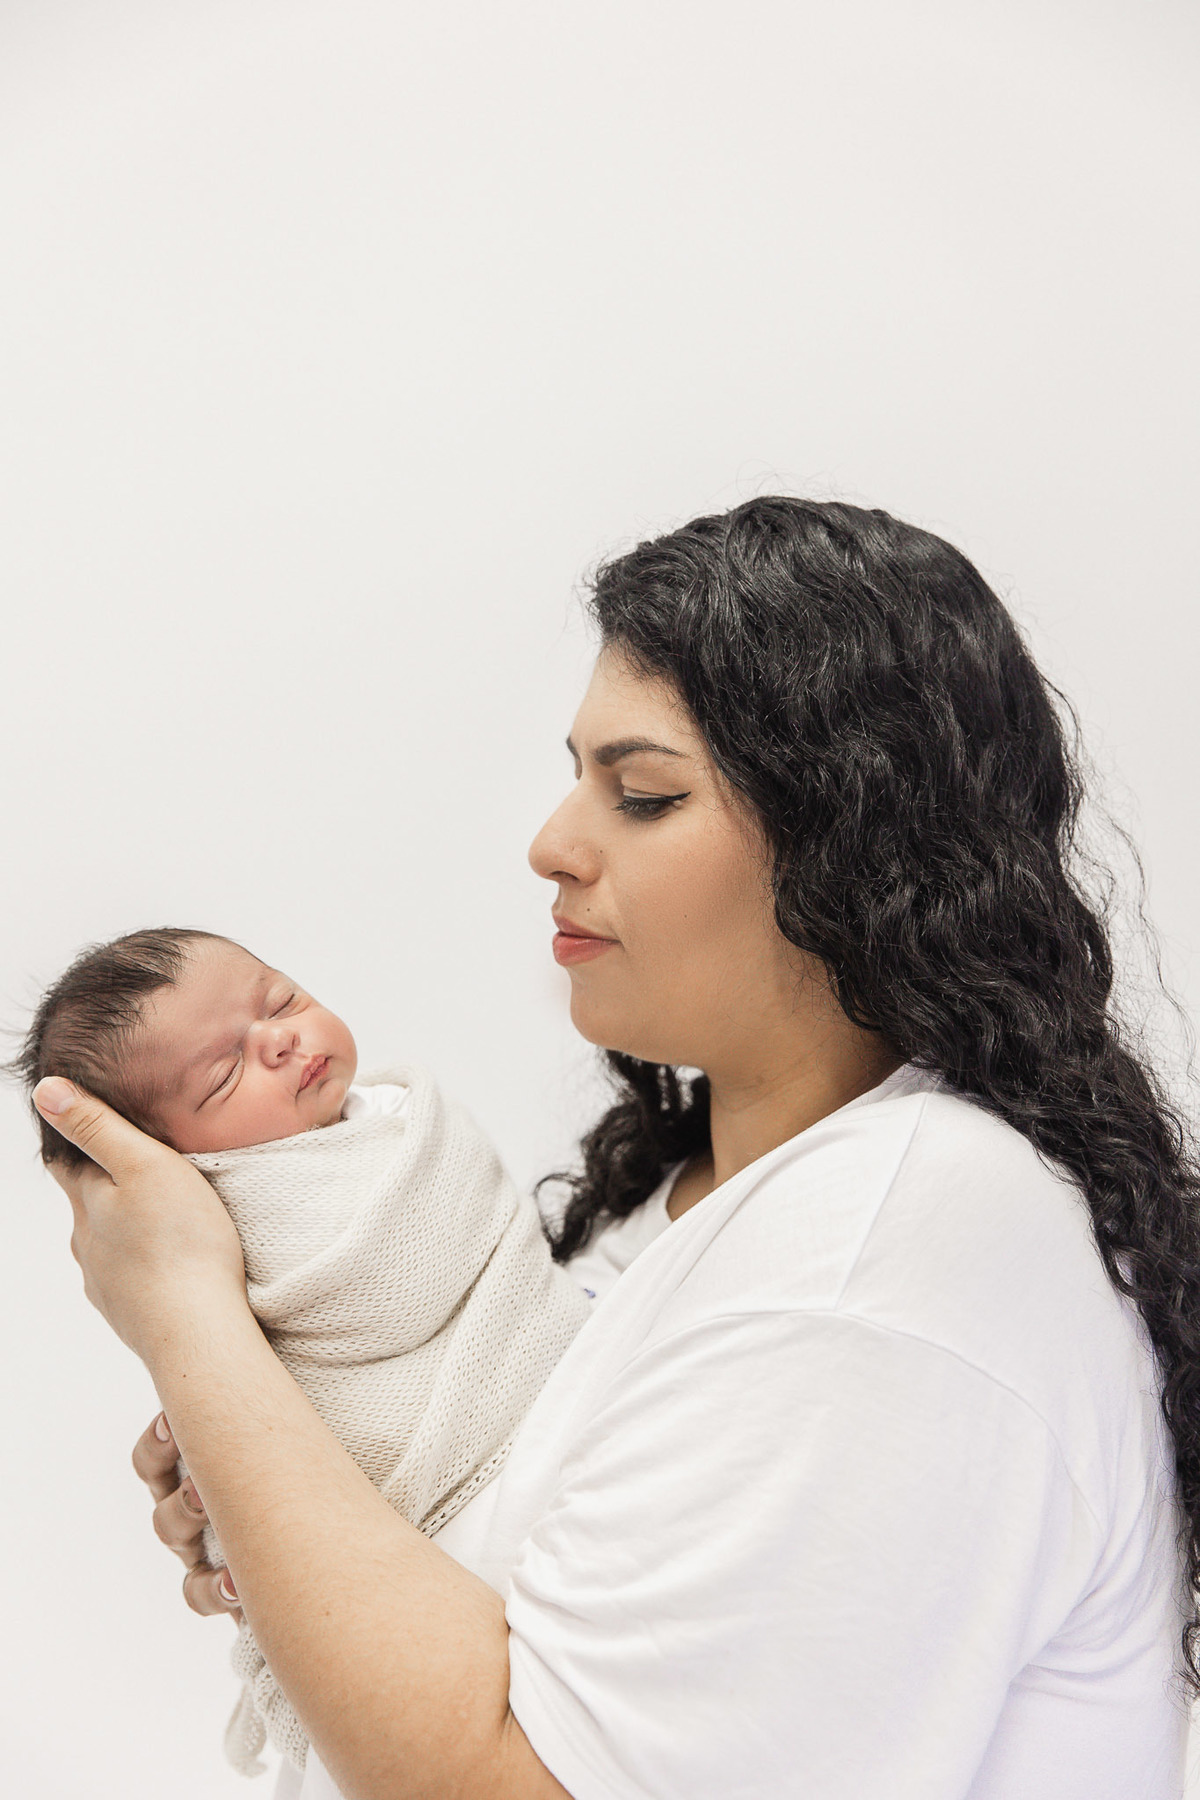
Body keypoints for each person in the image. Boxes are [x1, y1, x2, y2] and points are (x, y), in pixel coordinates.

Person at [36, 498, 1200, 1799]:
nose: (552, 842)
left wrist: (189, 1324)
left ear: (853, 841)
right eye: (578, 775)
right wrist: (273, 1476)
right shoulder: (701, 1203)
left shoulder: (875, 1273)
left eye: (643, 795)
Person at [13, 926, 588, 1776]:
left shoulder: (404, 1121)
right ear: (160, 1161)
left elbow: (489, 1256)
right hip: (428, 1553)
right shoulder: (229, 1210)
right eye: (223, 1074)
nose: (280, 1039)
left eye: (279, 999)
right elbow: (354, 1314)